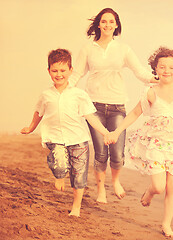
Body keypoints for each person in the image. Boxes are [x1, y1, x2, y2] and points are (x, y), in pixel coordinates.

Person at [105, 47, 173, 238]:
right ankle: (150, 191)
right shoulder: (150, 91)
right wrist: (116, 131)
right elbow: (134, 114)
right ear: (155, 69)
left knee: (172, 186)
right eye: (162, 67)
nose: (167, 70)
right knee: (159, 186)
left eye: (171, 67)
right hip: (155, 144)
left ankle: (166, 224)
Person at [68, 8, 158, 203]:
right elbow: (77, 74)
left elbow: (141, 73)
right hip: (94, 106)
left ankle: (115, 180)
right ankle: (101, 188)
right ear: (98, 24)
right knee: (101, 152)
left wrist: (158, 80)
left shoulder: (123, 49)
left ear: (116, 25)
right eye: (104, 21)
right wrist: (64, 90)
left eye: (111, 21)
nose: (107, 25)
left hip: (117, 106)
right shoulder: (88, 48)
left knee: (117, 153)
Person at [21, 49, 109, 217]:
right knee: (59, 163)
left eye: (63, 70)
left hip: (78, 140)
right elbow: (38, 113)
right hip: (55, 139)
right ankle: (59, 175)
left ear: (70, 70)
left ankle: (76, 207)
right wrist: (30, 128)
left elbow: (90, 117)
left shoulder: (79, 95)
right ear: (48, 71)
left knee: (79, 174)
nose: (59, 74)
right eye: (54, 70)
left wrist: (105, 132)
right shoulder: (46, 95)